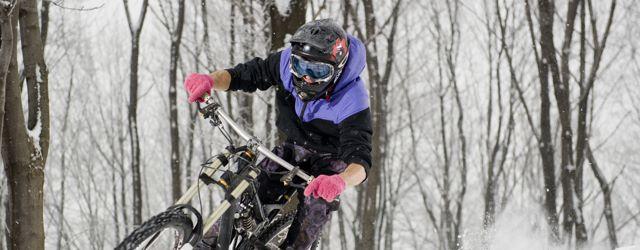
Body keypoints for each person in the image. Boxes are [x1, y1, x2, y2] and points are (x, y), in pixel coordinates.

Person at [184, 19, 372, 249]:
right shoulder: (285, 64)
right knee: (252, 193)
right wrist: (210, 80)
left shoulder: (352, 99)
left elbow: (360, 162)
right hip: (294, 147)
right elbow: (246, 75)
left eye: (319, 70)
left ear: (337, 69)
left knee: (314, 208)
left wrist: (340, 181)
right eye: (302, 67)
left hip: (329, 162)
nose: (307, 78)